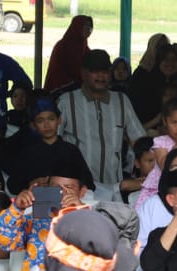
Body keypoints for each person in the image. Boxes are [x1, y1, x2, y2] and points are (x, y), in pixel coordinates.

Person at [58, 49, 146, 203]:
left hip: (114, 189)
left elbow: (139, 141)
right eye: (95, 71)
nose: (101, 76)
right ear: (83, 73)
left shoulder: (121, 101)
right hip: (78, 189)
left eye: (105, 71)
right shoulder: (67, 101)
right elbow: (53, 142)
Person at [2, 97, 95, 196]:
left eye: (51, 119)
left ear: (59, 120)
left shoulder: (71, 151)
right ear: (33, 125)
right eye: (40, 121)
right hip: (35, 202)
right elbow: (12, 186)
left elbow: (89, 183)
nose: (47, 125)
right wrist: (31, 184)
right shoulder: (28, 153)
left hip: (68, 202)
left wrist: (69, 185)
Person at [43, 15, 93, 93]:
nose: (89, 29)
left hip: (75, 87)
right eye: (85, 26)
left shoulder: (83, 45)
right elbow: (69, 70)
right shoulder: (63, 46)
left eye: (90, 26)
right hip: (60, 88)